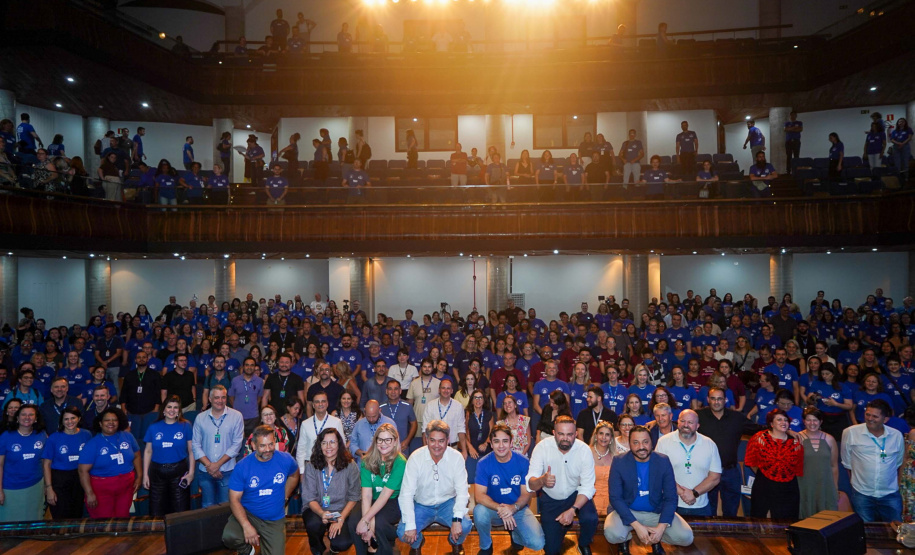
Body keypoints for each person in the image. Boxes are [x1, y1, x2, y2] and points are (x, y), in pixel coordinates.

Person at [605, 424, 694, 555]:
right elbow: (615, 498)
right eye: (636, 442)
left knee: (686, 537)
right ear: (629, 444)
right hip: (628, 511)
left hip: (655, 512)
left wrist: (661, 527)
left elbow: (671, 497)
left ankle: (655, 538)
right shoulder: (619, 461)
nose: (641, 447)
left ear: (652, 443)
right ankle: (626, 539)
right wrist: (637, 526)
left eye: (645, 442)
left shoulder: (663, 461)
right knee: (613, 534)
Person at [397, 420, 472, 555]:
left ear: (448, 440)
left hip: (447, 503)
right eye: (432, 440)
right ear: (426, 439)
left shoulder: (456, 458)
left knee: (465, 525)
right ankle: (417, 543)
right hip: (422, 505)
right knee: (403, 531)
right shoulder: (415, 458)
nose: (436, 445)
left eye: (441, 441)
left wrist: (456, 520)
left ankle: (455, 542)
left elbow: (462, 492)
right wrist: (411, 526)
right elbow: (406, 494)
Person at [222, 425, 299, 555]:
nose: (268, 450)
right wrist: (246, 526)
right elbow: (234, 499)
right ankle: (247, 550)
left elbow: (294, 475)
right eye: (263, 446)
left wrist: (285, 495)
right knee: (230, 536)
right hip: (249, 514)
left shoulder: (286, 459)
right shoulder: (242, 466)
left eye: (271, 444)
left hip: (274, 519)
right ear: (253, 445)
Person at [526, 415, 598, 555]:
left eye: (570, 434)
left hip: (575, 494)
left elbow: (588, 487)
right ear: (554, 433)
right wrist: (542, 480)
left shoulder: (584, 450)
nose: (565, 438)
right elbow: (530, 484)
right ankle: (561, 532)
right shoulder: (542, 447)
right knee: (551, 550)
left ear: (576, 434)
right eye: (561, 434)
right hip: (551, 499)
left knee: (590, 518)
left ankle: (583, 543)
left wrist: (573, 509)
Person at [473, 423, 546, 555]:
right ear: (491, 444)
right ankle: (486, 546)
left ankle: (515, 535)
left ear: (511, 442)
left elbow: (526, 494)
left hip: (517, 508)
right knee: (479, 512)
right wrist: (500, 508)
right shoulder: (483, 463)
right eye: (496, 441)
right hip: (493, 510)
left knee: (538, 543)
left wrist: (513, 508)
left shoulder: (523, 461)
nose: (501, 446)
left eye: (505, 441)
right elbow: (479, 496)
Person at [698, 387, 762, 517]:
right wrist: (655, 422)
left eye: (720, 399)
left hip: (730, 470)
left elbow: (758, 429)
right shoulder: (699, 416)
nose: (716, 402)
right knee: (708, 510)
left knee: (731, 510)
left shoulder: (736, 417)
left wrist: (786, 430)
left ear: (725, 400)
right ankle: (709, 536)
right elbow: (681, 426)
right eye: (713, 399)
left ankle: (729, 536)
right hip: (706, 471)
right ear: (707, 400)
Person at [347, 423, 406, 555]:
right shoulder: (367, 460)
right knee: (353, 522)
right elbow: (366, 495)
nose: (383, 443)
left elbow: (385, 495)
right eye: (380, 439)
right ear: (375, 441)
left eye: (388, 439)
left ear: (395, 441)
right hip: (371, 498)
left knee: (378, 523)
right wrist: (365, 523)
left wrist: (367, 521)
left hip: (391, 500)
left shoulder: (400, 462)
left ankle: (382, 549)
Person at [841, 399, 904, 522]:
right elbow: (847, 462)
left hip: (890, 494)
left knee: (896, 532)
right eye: (867, 414)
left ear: (885, 419)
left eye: (875, 416)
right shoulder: (850, 432)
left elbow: (898, 462)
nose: (869, 418)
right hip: (862, 494)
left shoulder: (896, 435)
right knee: (866, 534)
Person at [301, 428, 360, 555]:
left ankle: (334, 548)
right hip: (317, 509)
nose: (328, 446)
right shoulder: (312, 465)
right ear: (319, 445)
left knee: (343, 543)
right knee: (313, 524)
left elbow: (354, 496)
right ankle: (318, 549)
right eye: (324, 442)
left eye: (332, 442)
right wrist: (322, 513)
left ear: (339, 444)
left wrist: (341, 518)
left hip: (341, 511)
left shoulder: (350, 465)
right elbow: (309, 497)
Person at [654, 409, 722, 517]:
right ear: (678, 422)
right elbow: (658, 474)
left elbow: (715, 477)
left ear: (697, 425)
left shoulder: (709, 444)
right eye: (682, 421)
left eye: (690, 422)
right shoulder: (664, 442)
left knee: (702, 534)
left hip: (701, 506)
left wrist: (694, 493)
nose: (685, 425)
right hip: (670, 504)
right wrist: (682, 492)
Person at [78, 407, 141, 518]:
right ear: (100, 424)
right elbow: (83, 471)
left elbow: (136, 455)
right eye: (107, 420)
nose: (111, 423)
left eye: (114, 420)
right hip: (101, 489)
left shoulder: (128, 436)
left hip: (126, 487)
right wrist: (89, 493)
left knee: (122, 518)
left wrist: (139, 476)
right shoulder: (93, 443)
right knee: (104, 522)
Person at [744, 409, 804, 520]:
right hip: (764, 484)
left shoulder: (795, 443)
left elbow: (798, 467)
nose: (783, 422)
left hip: (788, 486)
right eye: (779, 419)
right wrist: (767, 473)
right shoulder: (759, 438)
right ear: (771, 423)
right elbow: (751, 462)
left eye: (786, 420)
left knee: (787, 520)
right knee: (759, 519)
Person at [192, 385, 245, 507]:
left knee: (226, 507)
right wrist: (210, 466)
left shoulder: (237, 416)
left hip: (227, 470)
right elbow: (195, 445)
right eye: (216, 398)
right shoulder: (200, 418)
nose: (220, 401)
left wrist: (217, 465)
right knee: (207, 506)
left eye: (223, 397)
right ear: (210, 399)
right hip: (205, 471)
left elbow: (237, 444)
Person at [142, 395, 194, 516]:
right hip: (157, 473)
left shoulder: (186, 426)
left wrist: (191, 473)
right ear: (163, 410)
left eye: (175, 407)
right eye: (169, 407)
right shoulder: (153, 427)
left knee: (181, 510)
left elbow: (191, 451)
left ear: (179, 411)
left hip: (179, 472)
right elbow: (148, 451)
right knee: (156, 510)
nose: (172, 410)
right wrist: (145, 475)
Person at [41, 406, 91, 519]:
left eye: (73, 418)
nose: (70, 422)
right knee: (61, 513)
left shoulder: (86, 435)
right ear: (62, 421)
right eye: (66, 419)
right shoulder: (54, 438)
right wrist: (48, 488)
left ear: (79, 418)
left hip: (80, 477)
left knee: (77, 512)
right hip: (60, 479)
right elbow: (46, 464)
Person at [0, 404, 47, 522]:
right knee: (10, 523)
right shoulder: (6, 436)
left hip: (36, 486)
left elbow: (44, 462)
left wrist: (47, 485)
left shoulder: (42, 435)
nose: (27, 417)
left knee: (34, 521)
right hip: (10, 488)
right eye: (23, 414)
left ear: (36, 418)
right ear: (17, 417)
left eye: (31, 414)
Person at [797, 407, 840, 519]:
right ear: (804, 421)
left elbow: (834, 466)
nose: (812, 423)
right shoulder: (797, 438)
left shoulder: (829, 439)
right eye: (809, 420)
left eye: (815, 420)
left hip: (825, 485)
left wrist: (835, 487)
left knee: (827, 519)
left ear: (821, 421)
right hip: (804, 485)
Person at [297, 391, 345, 473]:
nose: (320, 404)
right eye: (317, 402)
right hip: (311, 466)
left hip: (331, 465)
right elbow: (301, 449)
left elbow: (342, 445)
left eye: (323, 401)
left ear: (327, 404)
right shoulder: (305, 424)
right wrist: (301, 471)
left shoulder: (336, 422)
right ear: (313, 405)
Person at [379, 379, 418, 455]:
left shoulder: (407, 406)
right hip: (384, 447)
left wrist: (407, 441)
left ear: (400, 391)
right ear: (386, 391)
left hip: (403, 447)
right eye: (390, 389)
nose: (393, 392)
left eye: (396, 389)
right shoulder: (380, 408)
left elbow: (414, 424)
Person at [890, 117, 912, 182]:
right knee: (897, 164)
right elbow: (892, 139)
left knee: (905, 163)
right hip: (896, 147)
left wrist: (902, 143)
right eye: (899, 122)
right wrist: (898, 143)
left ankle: (906, 178)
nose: (900, 123)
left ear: (905, 123)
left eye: (902, 121)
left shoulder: (908, 129)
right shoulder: (895, 131)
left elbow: (909, 138)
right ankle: (898, 178)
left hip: (905, 146)